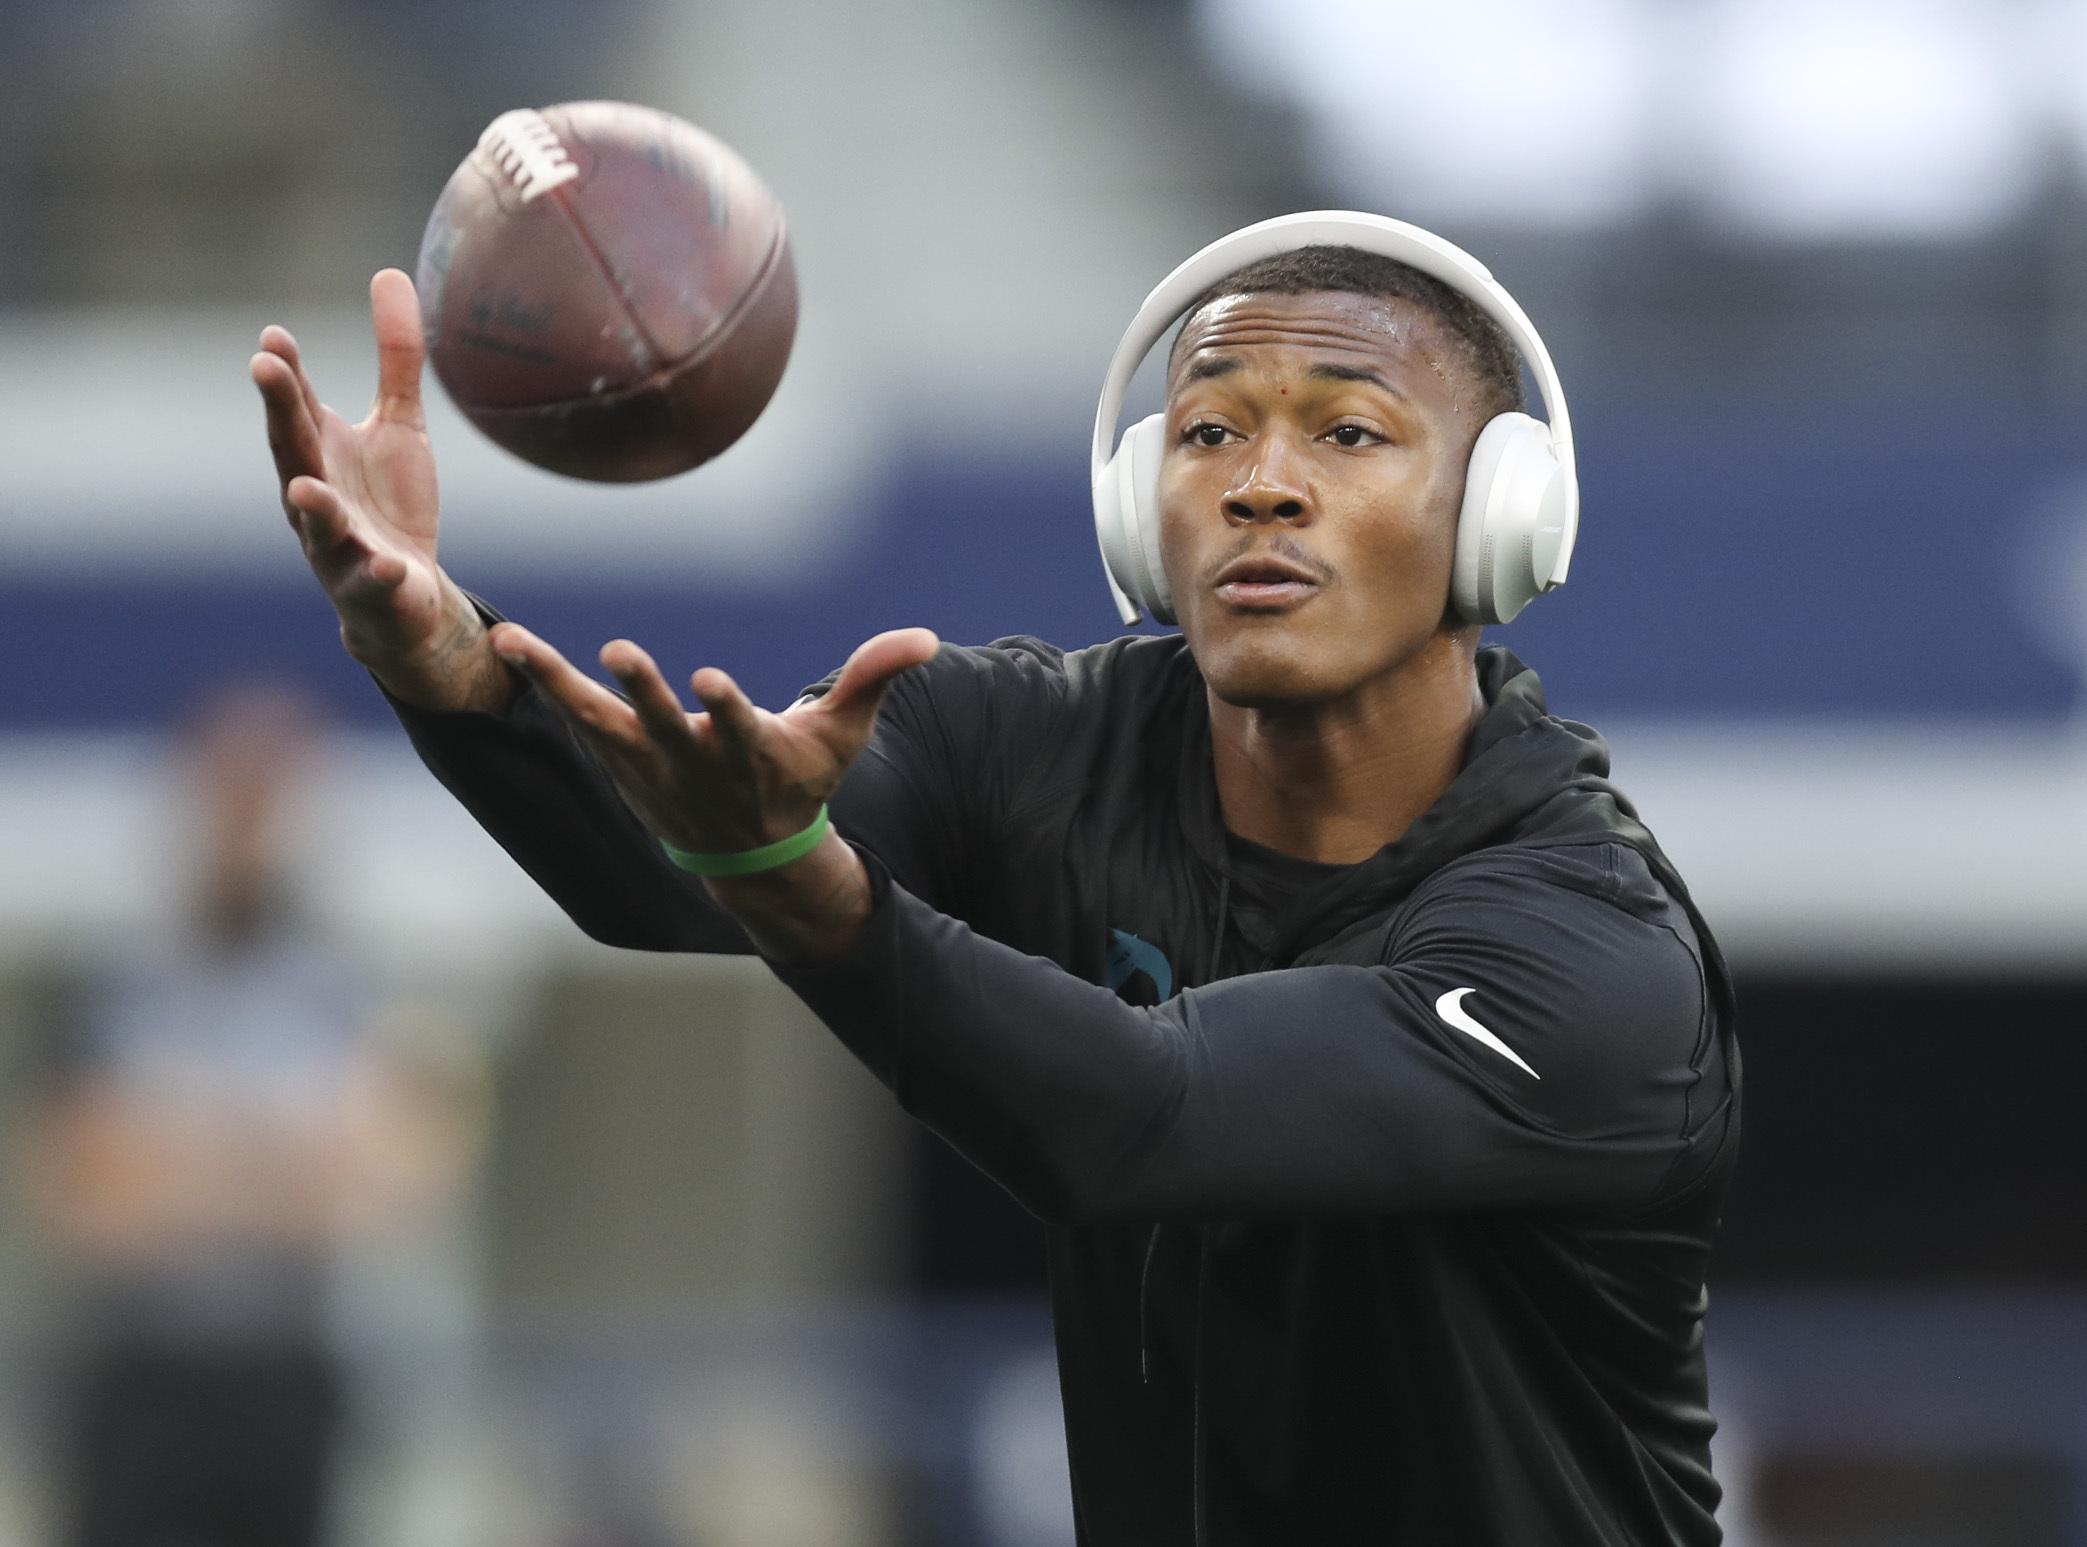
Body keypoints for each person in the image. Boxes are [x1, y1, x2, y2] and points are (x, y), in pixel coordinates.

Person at [250, 215, 1741, 1545]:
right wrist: (446, 661)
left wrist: (796, 877)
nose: (1261, 487)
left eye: (1348, 435)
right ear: (1139, 503)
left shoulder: (1593, 947)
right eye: (1210, 433)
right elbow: (670, 877)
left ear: (1504, 515)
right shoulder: (1027, 737)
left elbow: (1149, 1117)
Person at [23, 685, 473, 1547]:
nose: (251, 822)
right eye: (231, 791)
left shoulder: (353, 988)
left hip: (290, 1386)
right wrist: (277, 1163)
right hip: (138, 1380)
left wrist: (176, 1161)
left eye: (273, 796)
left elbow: (373, 1195)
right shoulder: (103, 990)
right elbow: (87, 1205)